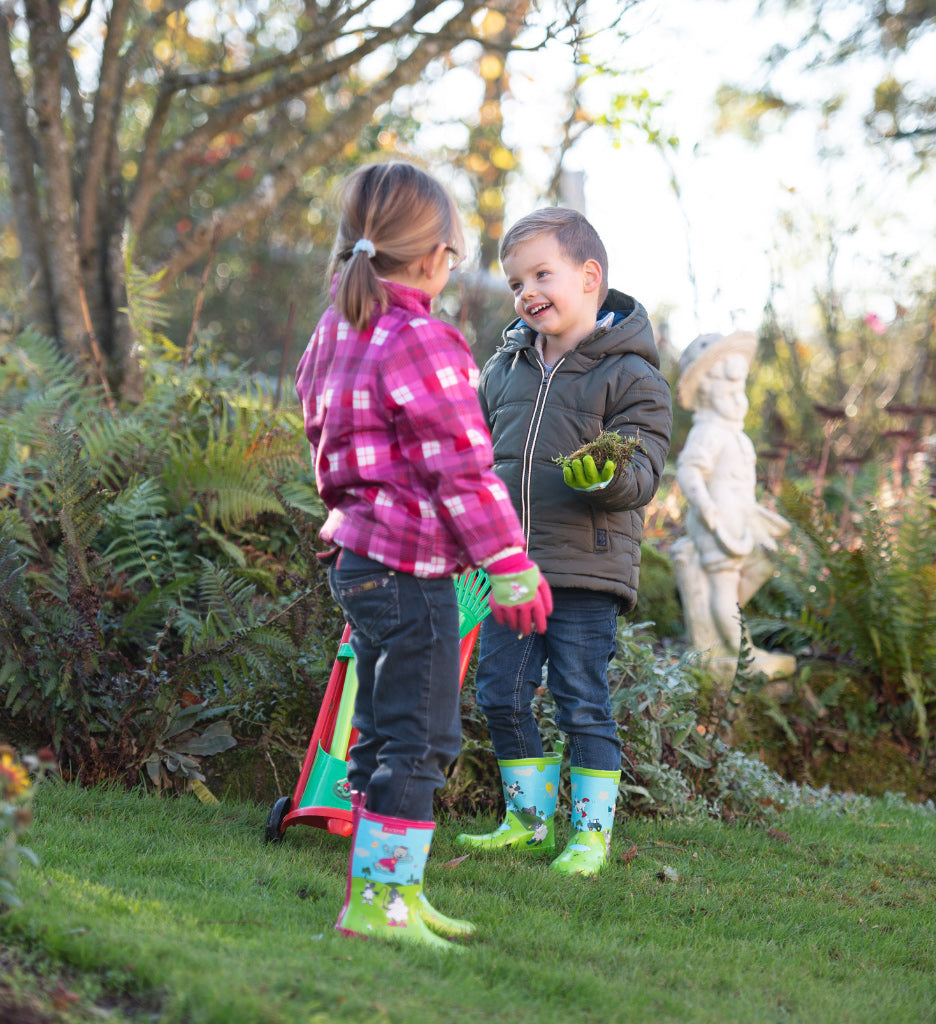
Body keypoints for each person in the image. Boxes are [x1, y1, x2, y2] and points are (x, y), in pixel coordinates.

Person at [295, 161, 552, 949]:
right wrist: (508, 562)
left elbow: (322, 433)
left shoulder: (335, 330)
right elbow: (462, 468)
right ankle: (382, 907)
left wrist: (347, 508)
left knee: (380, 730)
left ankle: (385, 892)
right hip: (412, 575)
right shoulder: (425, 341)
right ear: (439, 256)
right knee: (423, 739)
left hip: (359, 567)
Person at [457, 207, 673, 876]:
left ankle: (590, 835)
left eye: (541, 274)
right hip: (510, 568)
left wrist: (609, 479)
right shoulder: (506, 368)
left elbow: (644, 468)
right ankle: (525, 821)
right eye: (516, 281)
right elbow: (479, 456)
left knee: (581, 697)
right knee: (499, 691)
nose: (527, 292)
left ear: (589, 277)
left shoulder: (632, 376)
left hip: (585, 569)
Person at [671, 331, 794, 686]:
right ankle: (742, 653)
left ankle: (722, 625)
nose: (739, 400)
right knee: (723, 588)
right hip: (718, 525)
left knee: (764, 562)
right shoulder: (708, 431)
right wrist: (708, 510)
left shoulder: (733, 434)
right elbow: (690, 470)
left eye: (741, 391)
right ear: (707, 391)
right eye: (730, 392)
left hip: (742, 523)